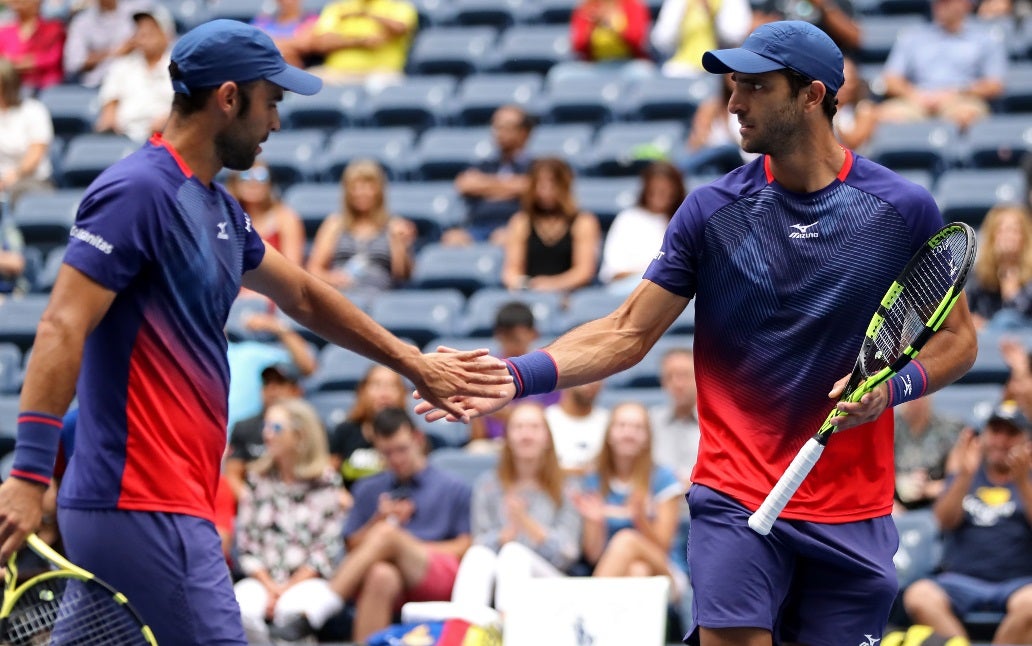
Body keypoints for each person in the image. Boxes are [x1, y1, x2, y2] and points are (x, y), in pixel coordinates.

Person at [416, 20, 979, 646]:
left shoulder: (901, 209)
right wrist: (515, 374)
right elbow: (628, 332)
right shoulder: (712, 212)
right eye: (732, 86)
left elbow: (957, 341)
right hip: (734, 494)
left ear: (812, 95)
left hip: (851, 511)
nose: (733, 103)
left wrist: (891, 389)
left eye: (754, 87)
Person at [0, 19, 508, 646]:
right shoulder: (137, 191)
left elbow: (302, 293)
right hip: (144, 503)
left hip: (152, 502)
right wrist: (27, 476)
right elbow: (59, 325)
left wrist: (412, 362)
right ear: (229, 98)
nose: (275, 123)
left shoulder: (216, 206)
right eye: (272, 102)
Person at [271, 407, 473, 643]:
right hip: (383, 574)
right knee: (381, 575)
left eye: (402, 449)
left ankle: (317, 610)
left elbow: (464, 546)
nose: (396, 459)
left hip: (435, 569)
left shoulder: (453, 487)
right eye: (387, 453)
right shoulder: (368, 488)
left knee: (388, 535)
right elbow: (351, 545)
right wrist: (377, 519)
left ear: (418, 439)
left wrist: (402, 546)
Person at [901, 400, 1032, 644]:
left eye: (1011, 433)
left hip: (1019, 582)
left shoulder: (1029, 479)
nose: (1001, 441)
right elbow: (943, 522)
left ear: (1027, 441)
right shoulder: (966, 472)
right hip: (960, 580)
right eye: (995, 431)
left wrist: (1023, 481)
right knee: (919, 596)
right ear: (984, 436)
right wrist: (964, 476)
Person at [233, 398, 348, 643]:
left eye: (275, 428)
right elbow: (246, 544)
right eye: (266, 427)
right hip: (261, 579)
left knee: (292, 611)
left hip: (309, 579)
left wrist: (286, 589)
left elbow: (326, 549)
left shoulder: (326, 481)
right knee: (239, 608)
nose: (267, 435)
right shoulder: (256, 479)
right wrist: (271, 586)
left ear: (299, 435)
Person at [450, 402, 582, 614]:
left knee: (514, 554)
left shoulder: (567, 487)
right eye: (518, 427)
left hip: (551, 579)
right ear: (507, 438)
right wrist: (504, 536)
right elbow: (480, 541)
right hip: (497, 575)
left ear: (547, 438)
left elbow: (568, 554)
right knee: (477, 556)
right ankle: (463, 629)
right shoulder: (488, 485)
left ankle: (509, 631)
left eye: (534, 427)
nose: (526, 435)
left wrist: (527, 525)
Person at [576, 402, 686, 596]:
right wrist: (595, 522)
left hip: (666, 568)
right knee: (637, 572)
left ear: (647, 438)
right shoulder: (594, 480)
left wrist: (640, 518)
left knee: (626, 539)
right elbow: (593, 555)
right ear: (609, 434)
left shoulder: (663, 478)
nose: (629, 433)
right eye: (621, 426)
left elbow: (664, 547)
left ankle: (587, 610)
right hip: (617, 569)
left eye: (637, 428)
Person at [879, 0, 1006, 132]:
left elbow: (994, 85)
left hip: (962, 99)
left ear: (965, 4)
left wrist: (956, 93)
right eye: (936, 2)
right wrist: (915, 94)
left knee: (967, 116)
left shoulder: (985, 39)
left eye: (946, 2)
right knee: (884, 117)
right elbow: (890, 80)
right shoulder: (912, 36)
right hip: (917, 99)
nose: (939, 5)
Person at [306, 158, 417, 292]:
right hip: (342, 297)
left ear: (379, 190)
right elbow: (313, 270)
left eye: (368, 186)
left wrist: (401, 244)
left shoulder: (394, 226)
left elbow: (402, 275)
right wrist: (332, 278)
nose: (362, 192)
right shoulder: (334, 224)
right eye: (356, 187)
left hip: (381, 297)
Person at [500, 157, 602, 294]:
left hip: (570, 295)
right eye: (539, 184)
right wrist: (527, 284)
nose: (545, 190)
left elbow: (584, 271)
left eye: (552, 183)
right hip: (530, 293)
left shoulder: (583, 222)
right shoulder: (521, 222)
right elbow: (511, 271)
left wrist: (550, 285)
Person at [468, 301, 561, 447]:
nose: (511, 345)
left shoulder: (547, 369)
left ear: (533, 334)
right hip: (495, 445)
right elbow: (477, 436)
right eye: (506, 338)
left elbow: (554, 423)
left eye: (516, 339)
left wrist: (508, 414)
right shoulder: (486, 371)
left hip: (538, 444)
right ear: (498, 335)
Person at [599, 160, 688, 295]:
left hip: (674, 291)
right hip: (630, 289)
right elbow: (614, 272)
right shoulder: (628, 219)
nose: (660, 194)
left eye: (666, 189)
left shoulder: (685, 221)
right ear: (646, 189)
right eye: (655, 189)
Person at [451, 105, 534, 244]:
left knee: (504, 238)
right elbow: (465, 184)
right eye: (497, 127)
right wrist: (511, 187)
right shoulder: (484, 164)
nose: (500, 133)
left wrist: (484, 187)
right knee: (453, 239)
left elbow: (530, 186)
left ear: (524, 132)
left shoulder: (534, 166)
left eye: (507, 127)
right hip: (476, 227)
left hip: (513, 227)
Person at [93, 5, 176, 143]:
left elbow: (185, 108)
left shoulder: (178, 67)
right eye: (140, 29)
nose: (144, 34)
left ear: (166, 35)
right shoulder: (122, 66)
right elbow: (110, 103)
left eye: (151, 29)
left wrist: (168, 121)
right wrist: (109, 123)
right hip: (123, 136)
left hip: (165, 136)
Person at [226, 361, 306, 498]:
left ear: (296, 391)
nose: (272, 389)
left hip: (302, 499)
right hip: (256, 498)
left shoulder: (309, 427)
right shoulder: (244, 427)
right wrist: (253, 503)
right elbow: (232, 475)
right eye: (267, 383)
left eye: (280, 383)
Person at [305, 0, 418, 89]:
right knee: (305, 82)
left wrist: (366, 13)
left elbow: (399, 28)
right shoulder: (338, 7)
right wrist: (360, 42)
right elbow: (321, 43)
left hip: (381, 73)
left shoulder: (399, 6)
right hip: (338, 73)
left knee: (383, 86)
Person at [329, 363, 408, 487]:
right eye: (377, 385)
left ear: (402, 394)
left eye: (392, 386)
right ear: (363, 391)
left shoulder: (409, 434)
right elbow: (329, 474)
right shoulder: (345, 430)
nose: (384, 393)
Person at [225, 159, 306, 266]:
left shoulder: (286, 218)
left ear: (270, 183)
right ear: (235, 183)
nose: (253, 182)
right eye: (245, 176)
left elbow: (294, 266)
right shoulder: (226, 217)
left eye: (261, 176)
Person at [893, 395, 965, 511]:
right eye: (911, 396)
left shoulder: (949, 428)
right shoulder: (891, 427)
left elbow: (960, 477)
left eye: (921, 395)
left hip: (937, 500)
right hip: (894, 499)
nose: (916, 400)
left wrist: (928, 488)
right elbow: (874, 472)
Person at [966, 203, 1032, 330]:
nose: (1008, 237)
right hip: (987, 346)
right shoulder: (978, 274)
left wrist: (1012, 292)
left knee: (1006, 320)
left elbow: (1019, 315)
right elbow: (966, 311)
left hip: (1024, 342)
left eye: (1014, 231)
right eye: (1001, 231)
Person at [0, 57, 55, 207]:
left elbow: (35, 154)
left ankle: (13, 230)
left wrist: (13, 176)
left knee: (19, 191)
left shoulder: (33, 110)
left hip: (31, 182)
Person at [650, 0, 752, 79]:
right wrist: (680, 13)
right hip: (681, 67)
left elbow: (733, 37)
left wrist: (712, 13)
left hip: (721, 66)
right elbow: (661, 41)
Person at [63, 0, 146, 88]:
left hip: (135, 81)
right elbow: (74, 63)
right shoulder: (82, 21)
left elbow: (150, 41)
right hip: (97, 85)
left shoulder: (137, 13)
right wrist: (116, 52)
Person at [650, 347, 700, 490]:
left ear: (699, 376)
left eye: (684, 375)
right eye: (669, 376)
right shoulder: (650, 422)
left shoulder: (717, 424)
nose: (677, 384)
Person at [569, 0, 656, 81]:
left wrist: (612, 24)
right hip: (596, 65)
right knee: (563, 75)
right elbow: (578, 45)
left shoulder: (633, 5)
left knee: (643, 72)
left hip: (628, 63)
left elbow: (637, 40)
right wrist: (592, 23)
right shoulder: (587, 7)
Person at [545, 381, 610, 475]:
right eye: (585, 376)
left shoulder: (610, 423)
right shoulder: (545, 420)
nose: (591, 383)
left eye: (598, 377)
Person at [0, 0, 65, 93]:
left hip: (46, 90)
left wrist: (18, 63)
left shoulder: (53, 29)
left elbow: (54, 58)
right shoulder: (4, 32)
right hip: (11, 91)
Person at [751, 0, 860, 53]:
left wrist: (825, 6)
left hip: (824, 58)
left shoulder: (835, 3)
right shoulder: (775, 2)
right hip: (784, 57)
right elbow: (755, 32)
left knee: (847, 73)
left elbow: (854, 38)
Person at [251, 0, 319, 68]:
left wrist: (269, 41)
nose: (287, 1)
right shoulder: (263, 20)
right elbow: (251, 40)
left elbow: (304, 44)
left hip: (297, 68)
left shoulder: (310, 19)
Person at [833, 55, 879, 152]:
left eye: (849, 81)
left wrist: (832, 119)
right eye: (839, 81)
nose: (844, 87)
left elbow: (853, 143)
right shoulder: (820, 108)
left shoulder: (865, 109)